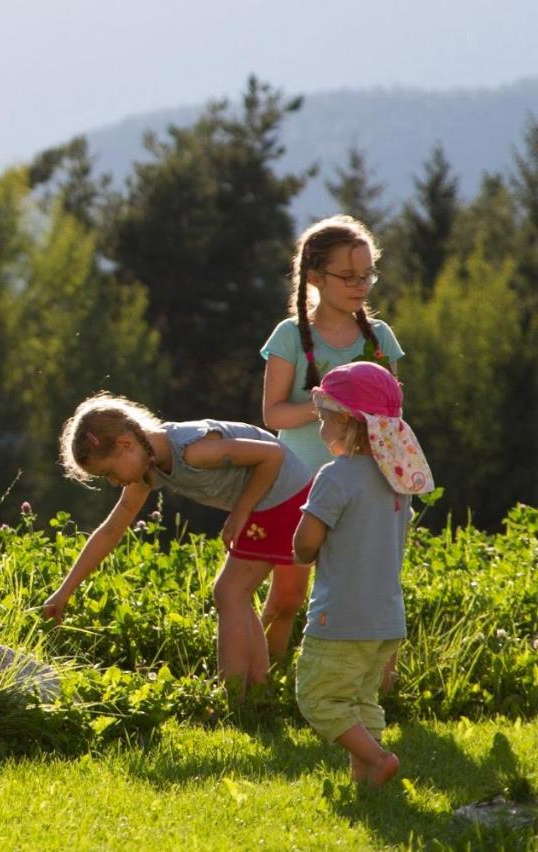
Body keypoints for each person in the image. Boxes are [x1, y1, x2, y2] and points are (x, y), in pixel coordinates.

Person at [41, 392, 313, 694]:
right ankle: (256, 687)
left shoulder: (191, 450)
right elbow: (111, 530)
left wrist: (242, 511)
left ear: (125, 444)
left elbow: (272, 455)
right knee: (234, 594)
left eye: (109, 472)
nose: (114, 482)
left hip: (284, 497)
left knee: (229, 593)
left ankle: (235, 697)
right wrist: (64, 590)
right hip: (273, 500)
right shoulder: (149, 466)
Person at [261, 214, 405, 667]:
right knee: (286, 596)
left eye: (367, 275)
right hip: (296, 481)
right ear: (316, 277)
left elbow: (393, 415)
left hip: (364, 483)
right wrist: (329, 405)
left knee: (368, 593)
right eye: (349, 276)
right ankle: (266, 686)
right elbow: (273, 413)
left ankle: (363, 690)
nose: (361, 285)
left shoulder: (379, 339)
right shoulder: (289, 337)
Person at [292, 361, 433, 787]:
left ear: (346, 422)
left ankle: (378, 758)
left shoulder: (335, 477)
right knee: (361, 699)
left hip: (341, 617)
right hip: (386, 618)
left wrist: (304, 550)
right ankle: (367, 780)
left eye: (323, 418)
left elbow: (305, 544)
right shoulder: (397, 481)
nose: (320, 427)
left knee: (318, 697)